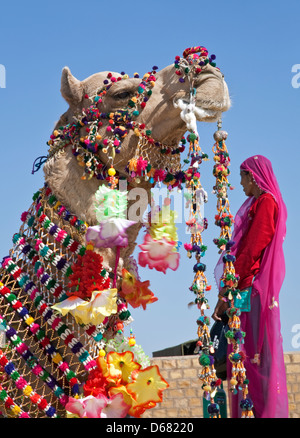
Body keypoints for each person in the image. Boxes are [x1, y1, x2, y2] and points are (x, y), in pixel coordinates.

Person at [212, 155, 289, 418]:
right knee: (245, 355)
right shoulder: (258, 203)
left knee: (253, 357)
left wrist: (227, 291)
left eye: (243, 176)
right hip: (244, 288)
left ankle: (261, 412)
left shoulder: (266, 203)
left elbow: (251, 250)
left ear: (253, 177)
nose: (240, 183)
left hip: (251, 291)